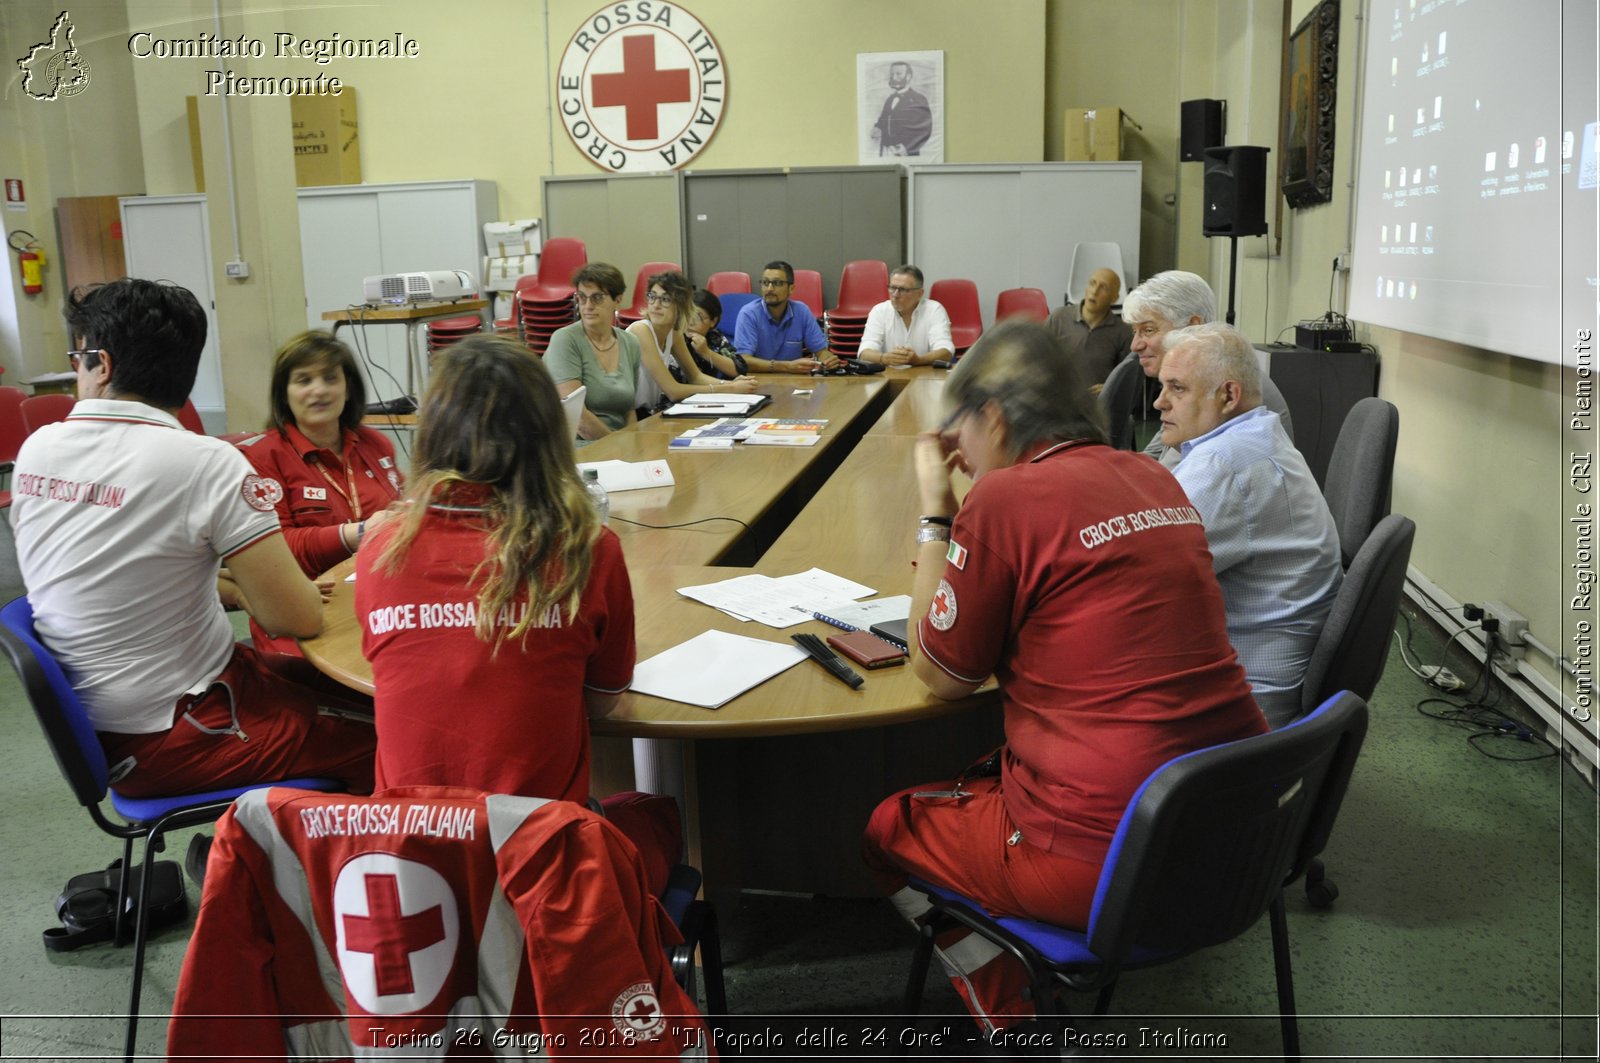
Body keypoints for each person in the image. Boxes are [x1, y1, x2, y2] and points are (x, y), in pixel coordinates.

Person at [861, 321, 1266, 1032]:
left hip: (1102, 862)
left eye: (961, 431)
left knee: (887, 826)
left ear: (989, 418)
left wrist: (937, 513)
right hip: (1236, 831)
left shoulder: (1006, 500)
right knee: (993, 763)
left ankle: (1009, 1011)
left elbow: (939, 672)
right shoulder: (1153, 474)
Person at [11, 279, 374, 797]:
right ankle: (267, 863)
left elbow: (126, 565)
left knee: (362, 695)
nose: (76, 370)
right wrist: (258, 591)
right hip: (175, 728)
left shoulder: (39, 447)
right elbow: (295, 618)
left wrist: (237, 589)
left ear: (104, 365)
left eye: (78, 356)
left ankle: (263, 850)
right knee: (397, 734)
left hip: (122, 714)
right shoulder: (204, 462)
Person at [355, 334, 680, 892]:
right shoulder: (586, 548)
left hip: (408, 870)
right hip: (541, 866)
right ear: (547, 434)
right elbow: (603, 704)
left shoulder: (382, 548)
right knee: (658, 817)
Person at [1155, 322, 1343, 727]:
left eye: (1177, 388)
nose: (1159, 403)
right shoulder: (1257, 435)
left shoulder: (1225, 463)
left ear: (1228, 395)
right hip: (1266, 683)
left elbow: (1139, 579)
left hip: (1242, 709)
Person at [236, 331, 404, 669]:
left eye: (330, 378)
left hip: (379, 600)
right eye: (304, 380)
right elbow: (274, 549)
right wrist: (360, 532)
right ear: (284, 393)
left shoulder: (375, 445)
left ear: (348, 387)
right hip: (305, 613)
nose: (319, 390)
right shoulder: (260, 457)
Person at [1119, 269, 1294, 466]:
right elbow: (1156, 458)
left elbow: (1170, 482)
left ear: (1193, 325)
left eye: (1148, 330)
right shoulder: (1194, 379)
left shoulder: (1214, 384)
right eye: (1135, 332)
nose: (1135, 345)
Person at [626, 269, 757, 411]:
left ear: (681, 305)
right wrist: (729, 388)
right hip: (627, 415)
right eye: (652, 296)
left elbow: (696, 376)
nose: (656, 305)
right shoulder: (641, 330)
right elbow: (673, 391)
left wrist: (730, 384)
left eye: (665, 299)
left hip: (645, 413)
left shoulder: (674, 333)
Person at [542, 262, 642, 442]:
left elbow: (629, 410)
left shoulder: (630, 343)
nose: (587, 305)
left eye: (597, 298)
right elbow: (578, 418)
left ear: (617, 300)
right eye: (582, 297)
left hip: (618, 445)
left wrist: (632, 444)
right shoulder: (565, 340)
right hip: (578, 447)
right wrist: (619, 448)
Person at [733, 260, 841, 374]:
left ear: (791, 288)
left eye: (777, 283)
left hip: (794, 383)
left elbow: (821, 352)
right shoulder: (749, 313)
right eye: (765, 282)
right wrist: (786, 366)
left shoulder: (801, 311)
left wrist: (828, 361)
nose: (769, 288)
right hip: (758, 380)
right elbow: (743, 361)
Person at [1043, 266, 1132, 387]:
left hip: (1098, 403)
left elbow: (1127, 378)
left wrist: (1110, 388)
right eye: (1092, 283)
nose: (1094, 291)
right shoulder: (1058, 318)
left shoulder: (1123, 332)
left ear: (1114, 298)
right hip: (1059, 399)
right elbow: (1038, 358)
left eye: (1103, 287)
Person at [856, 264, 954, 367]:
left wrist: (919, 360)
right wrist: (884, 358)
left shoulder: (934, 310)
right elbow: (864, 352)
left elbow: (946, 351)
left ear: (920, 293)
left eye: (903, 290)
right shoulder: (879, 311)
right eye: (892, 288)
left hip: (926, 377)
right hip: (889, 375)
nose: (895, 295)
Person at [685, 288, 750, 379]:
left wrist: (706, 353)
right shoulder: (676, 337)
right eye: (687, 315)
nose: (690, 322)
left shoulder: (714, 337)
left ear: (713, 321)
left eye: (698, 317)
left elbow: (740, 369)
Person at [873, 60, 933, 157]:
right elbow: (883, 119)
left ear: (908, 76)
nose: (894, 77)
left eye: (898, 74)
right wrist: (878, 127)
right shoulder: (890, 99)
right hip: (885, 151)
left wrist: (907, 147)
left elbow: (925, 130)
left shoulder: (919, 99)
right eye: (892, 74)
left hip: (906, 153)